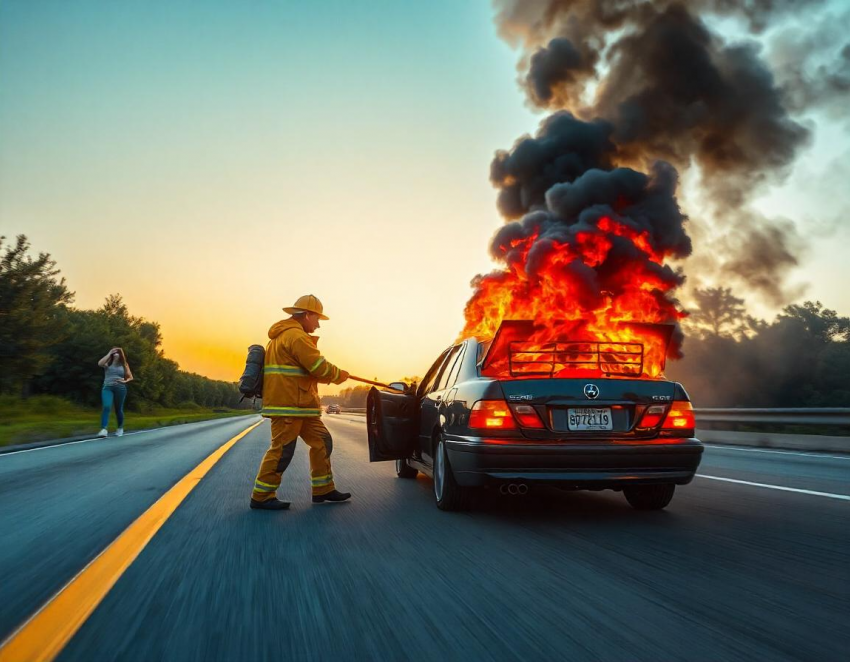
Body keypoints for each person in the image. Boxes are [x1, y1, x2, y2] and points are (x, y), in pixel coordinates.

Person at [250, 295, 351, 511]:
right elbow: (318, 367)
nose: (318, 324)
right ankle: (261, 496)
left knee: (322, 441)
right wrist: (338, 374)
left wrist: (331, 374)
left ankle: (323, 489)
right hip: (289, 406)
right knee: (282, 450)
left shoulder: (286, 336)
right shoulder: (296, 337)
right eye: (317, 318)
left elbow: (308, 369)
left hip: (301, 406)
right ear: (307, 315)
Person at [97, 347, 133, 437]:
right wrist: (109, 353)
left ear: (121, 354)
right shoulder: (107, 363)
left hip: (120, 388)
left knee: (118, 409)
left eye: (117, 352)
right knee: (106, 406)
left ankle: (120, 428)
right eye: (114, 352)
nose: (115, 353)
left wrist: (125, 381)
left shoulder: (124, 364)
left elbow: (130, 377)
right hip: (107, 387)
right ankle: (104, 429)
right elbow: (99, 363)